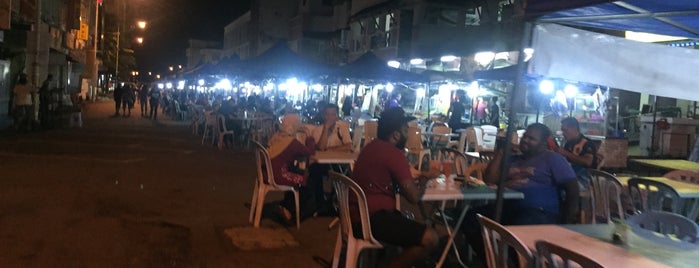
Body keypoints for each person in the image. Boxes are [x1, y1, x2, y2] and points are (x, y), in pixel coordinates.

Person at [463, 123, 579, 261]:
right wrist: (501, 153)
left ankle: (512, 262)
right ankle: (495, 262)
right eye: (525, 136)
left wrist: (566, 223)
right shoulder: (515, 159)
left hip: (540, 212)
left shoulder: (553, 159)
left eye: (531, 139)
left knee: (515, 232)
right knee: (471, 219)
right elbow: (490, 179)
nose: (525, 140)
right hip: (510, 208)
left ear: (542, 143)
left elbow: (572, 188)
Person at [350, 107, 439, 268]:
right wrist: (426, 179)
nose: (408, 134)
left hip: (356, 217)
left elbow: (401, 187)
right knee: (430, 237)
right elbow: (413, 197)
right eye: (406, 130)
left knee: (407, 222)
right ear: (396, 135)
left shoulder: (370, 148)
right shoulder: (393, 154)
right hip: (371, 220)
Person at [268, 114, 316, 224]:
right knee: (306, 182)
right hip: (278, 175)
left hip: (267, 171)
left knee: (298, 175)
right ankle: (293, 214)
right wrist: (309, 136)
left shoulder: (277, 136)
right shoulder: (291, 142)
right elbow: (310, 152)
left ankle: (286, 206)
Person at [307, 104, 352, 215]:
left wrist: (331, 149)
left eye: (333, 114)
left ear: (337, 115)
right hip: (323, 163)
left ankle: (338, 202)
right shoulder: (317, 130)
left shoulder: (342, 127)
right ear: (323, 116)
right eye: (327, 114)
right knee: (314, 170)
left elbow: (348, 146)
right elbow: (321, 148)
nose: (330, 117)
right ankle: (320, 203)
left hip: (339, 162)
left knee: (346, 173)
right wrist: (326, 129)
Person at [554, 117, 598, 188]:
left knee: (559, 185)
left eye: (565, 130)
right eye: (562, 131)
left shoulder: (587, 143)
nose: (563, 133)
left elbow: (587, 162)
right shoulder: (569, 143)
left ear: (574, 128)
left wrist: (565, 153)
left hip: (586, 178)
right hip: (571, 175)